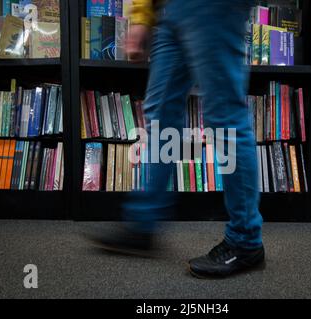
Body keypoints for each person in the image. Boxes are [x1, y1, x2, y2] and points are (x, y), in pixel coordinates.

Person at [90, 0, 265, 278]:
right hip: (169, 10)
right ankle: (143, 223)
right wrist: (142, 18)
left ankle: (246, 241)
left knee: (224, 116)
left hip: (211, 7)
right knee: (160, 111)